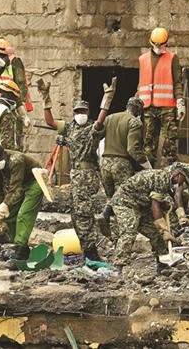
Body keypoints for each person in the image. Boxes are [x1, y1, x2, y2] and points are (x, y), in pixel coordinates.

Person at [38, 77, 116, 261]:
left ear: (88, 112)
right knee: (75, 214)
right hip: (75, 175)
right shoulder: (70, 127)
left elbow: (100, 122)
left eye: (83, 111)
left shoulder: (92, 128)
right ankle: (87, 250)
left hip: (87, 175)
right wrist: (46, 98)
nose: (80, 113)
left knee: (84, 214)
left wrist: (106, 101)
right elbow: (50, 122)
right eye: (77, 111)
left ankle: (92, 253)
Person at [111, 163, 189, 273]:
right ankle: (118, 267)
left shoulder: (167, 181)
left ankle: (162, 264)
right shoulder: (162, 178)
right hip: (125, 202)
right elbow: (155, 206)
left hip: (141, 204)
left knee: (155, 233)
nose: (182, 184)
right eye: (183, 180)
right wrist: (163, 228)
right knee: (129, 230)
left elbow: (160, 201)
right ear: (178, 174)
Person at [0, 144, 43, 261]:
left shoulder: (16, 160)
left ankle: (20, 250)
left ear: (3, 154)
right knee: (9, 214)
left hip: (35, 181)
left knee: (24, 214)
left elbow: (15, 188)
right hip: (20, 185)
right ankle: (20, 245)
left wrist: (5, 204)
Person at [137, 27, 185, 167]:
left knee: (170, 141)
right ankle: (149, 175)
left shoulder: (172, 58)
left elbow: (177, 82)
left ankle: (170, 175)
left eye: (161, 44)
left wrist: (180, 102)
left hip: (167, 107)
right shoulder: (143, 59)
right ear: (151, 43)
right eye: (156, 45)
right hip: (148, 107)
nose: (158, 47)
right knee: (148, 143)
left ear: (166, 43)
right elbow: (141, 83)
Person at [99, 96, 151, 222]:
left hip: (105, 163)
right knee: (123, 200)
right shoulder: (134, 122)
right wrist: (147, 165)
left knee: (111, 196)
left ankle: (106, 214)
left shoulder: (109, 118)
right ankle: (119, 229)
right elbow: (132, 149)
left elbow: (98, 137)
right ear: (139, 110)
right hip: (121, 165)